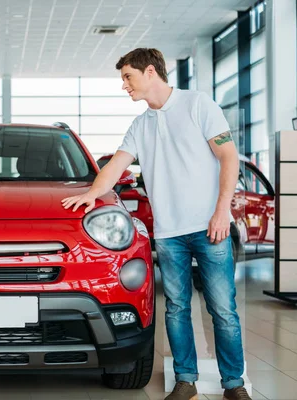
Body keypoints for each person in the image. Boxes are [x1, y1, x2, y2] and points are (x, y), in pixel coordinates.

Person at [62, 48, 250, 400]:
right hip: (169, 233)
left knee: (222, 308)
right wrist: (92, 193)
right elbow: (117, 166)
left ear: (150, 72)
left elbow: (228, 157)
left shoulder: (198, 105)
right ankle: (186, 380)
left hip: (211, 226)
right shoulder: (140, 125)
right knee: (176, 309)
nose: (124, 86)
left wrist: (222, 210)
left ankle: (234, 384)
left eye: (128, 77)